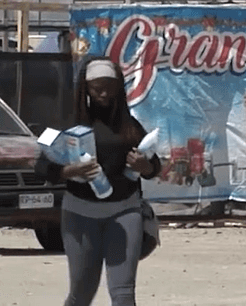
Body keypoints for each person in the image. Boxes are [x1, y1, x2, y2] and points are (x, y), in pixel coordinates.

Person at [35, 56, 162, 306]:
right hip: (80, 216)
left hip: (125, 214)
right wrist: (71, 171)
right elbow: (42, 168)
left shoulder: (129, 126)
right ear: (85, 88)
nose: (104, 93)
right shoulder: (68, 124)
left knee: (123, 293)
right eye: (97, 88)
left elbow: (153, 167)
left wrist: (144, 166)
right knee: (82, 293)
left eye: (110, 87)